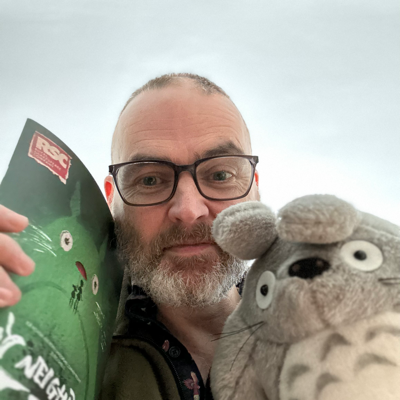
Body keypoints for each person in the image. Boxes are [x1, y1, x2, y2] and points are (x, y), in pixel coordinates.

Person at [0, 73, 260, 399]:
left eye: (220, 174)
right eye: (150, 180)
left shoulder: (319, 328)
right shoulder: (58, 336)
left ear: (255, 191)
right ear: (113, 201)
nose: (188, 210)